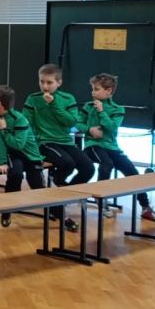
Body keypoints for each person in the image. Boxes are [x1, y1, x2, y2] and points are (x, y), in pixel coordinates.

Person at [82, 73, 155, 222]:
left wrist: (101, 111)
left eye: (96, 89)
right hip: (93, 146)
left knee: (132, 172)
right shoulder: (88, 106)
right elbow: (78, 122)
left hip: (112, 147)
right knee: (107, 164)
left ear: (109, 91)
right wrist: (89, 129)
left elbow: (111, 127)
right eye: (92, 89)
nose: (93, 92)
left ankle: (145, 208)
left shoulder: (118, 109)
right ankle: (101, 200)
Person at [23, 64, 91, 231]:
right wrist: (32, 144)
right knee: (67, 163)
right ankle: (57, 187)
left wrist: (54, 104)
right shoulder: (33, 99)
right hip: (44, 142)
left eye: (49, 82)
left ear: (59, 82)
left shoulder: (68, 99)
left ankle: (65, 193)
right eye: (42, 82)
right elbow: (26, 123)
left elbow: (70, 122)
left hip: (65, 142)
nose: (45, 86)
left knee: (88, 168)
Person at [0, 85, 48, 228]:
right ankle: (7, 211)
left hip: (30, 156)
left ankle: (61, 216)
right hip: (14, 154)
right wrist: (3, 161)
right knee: (15, 175)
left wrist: (4, 129)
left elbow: (18, 144)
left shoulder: (19, 119)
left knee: (38, 186)